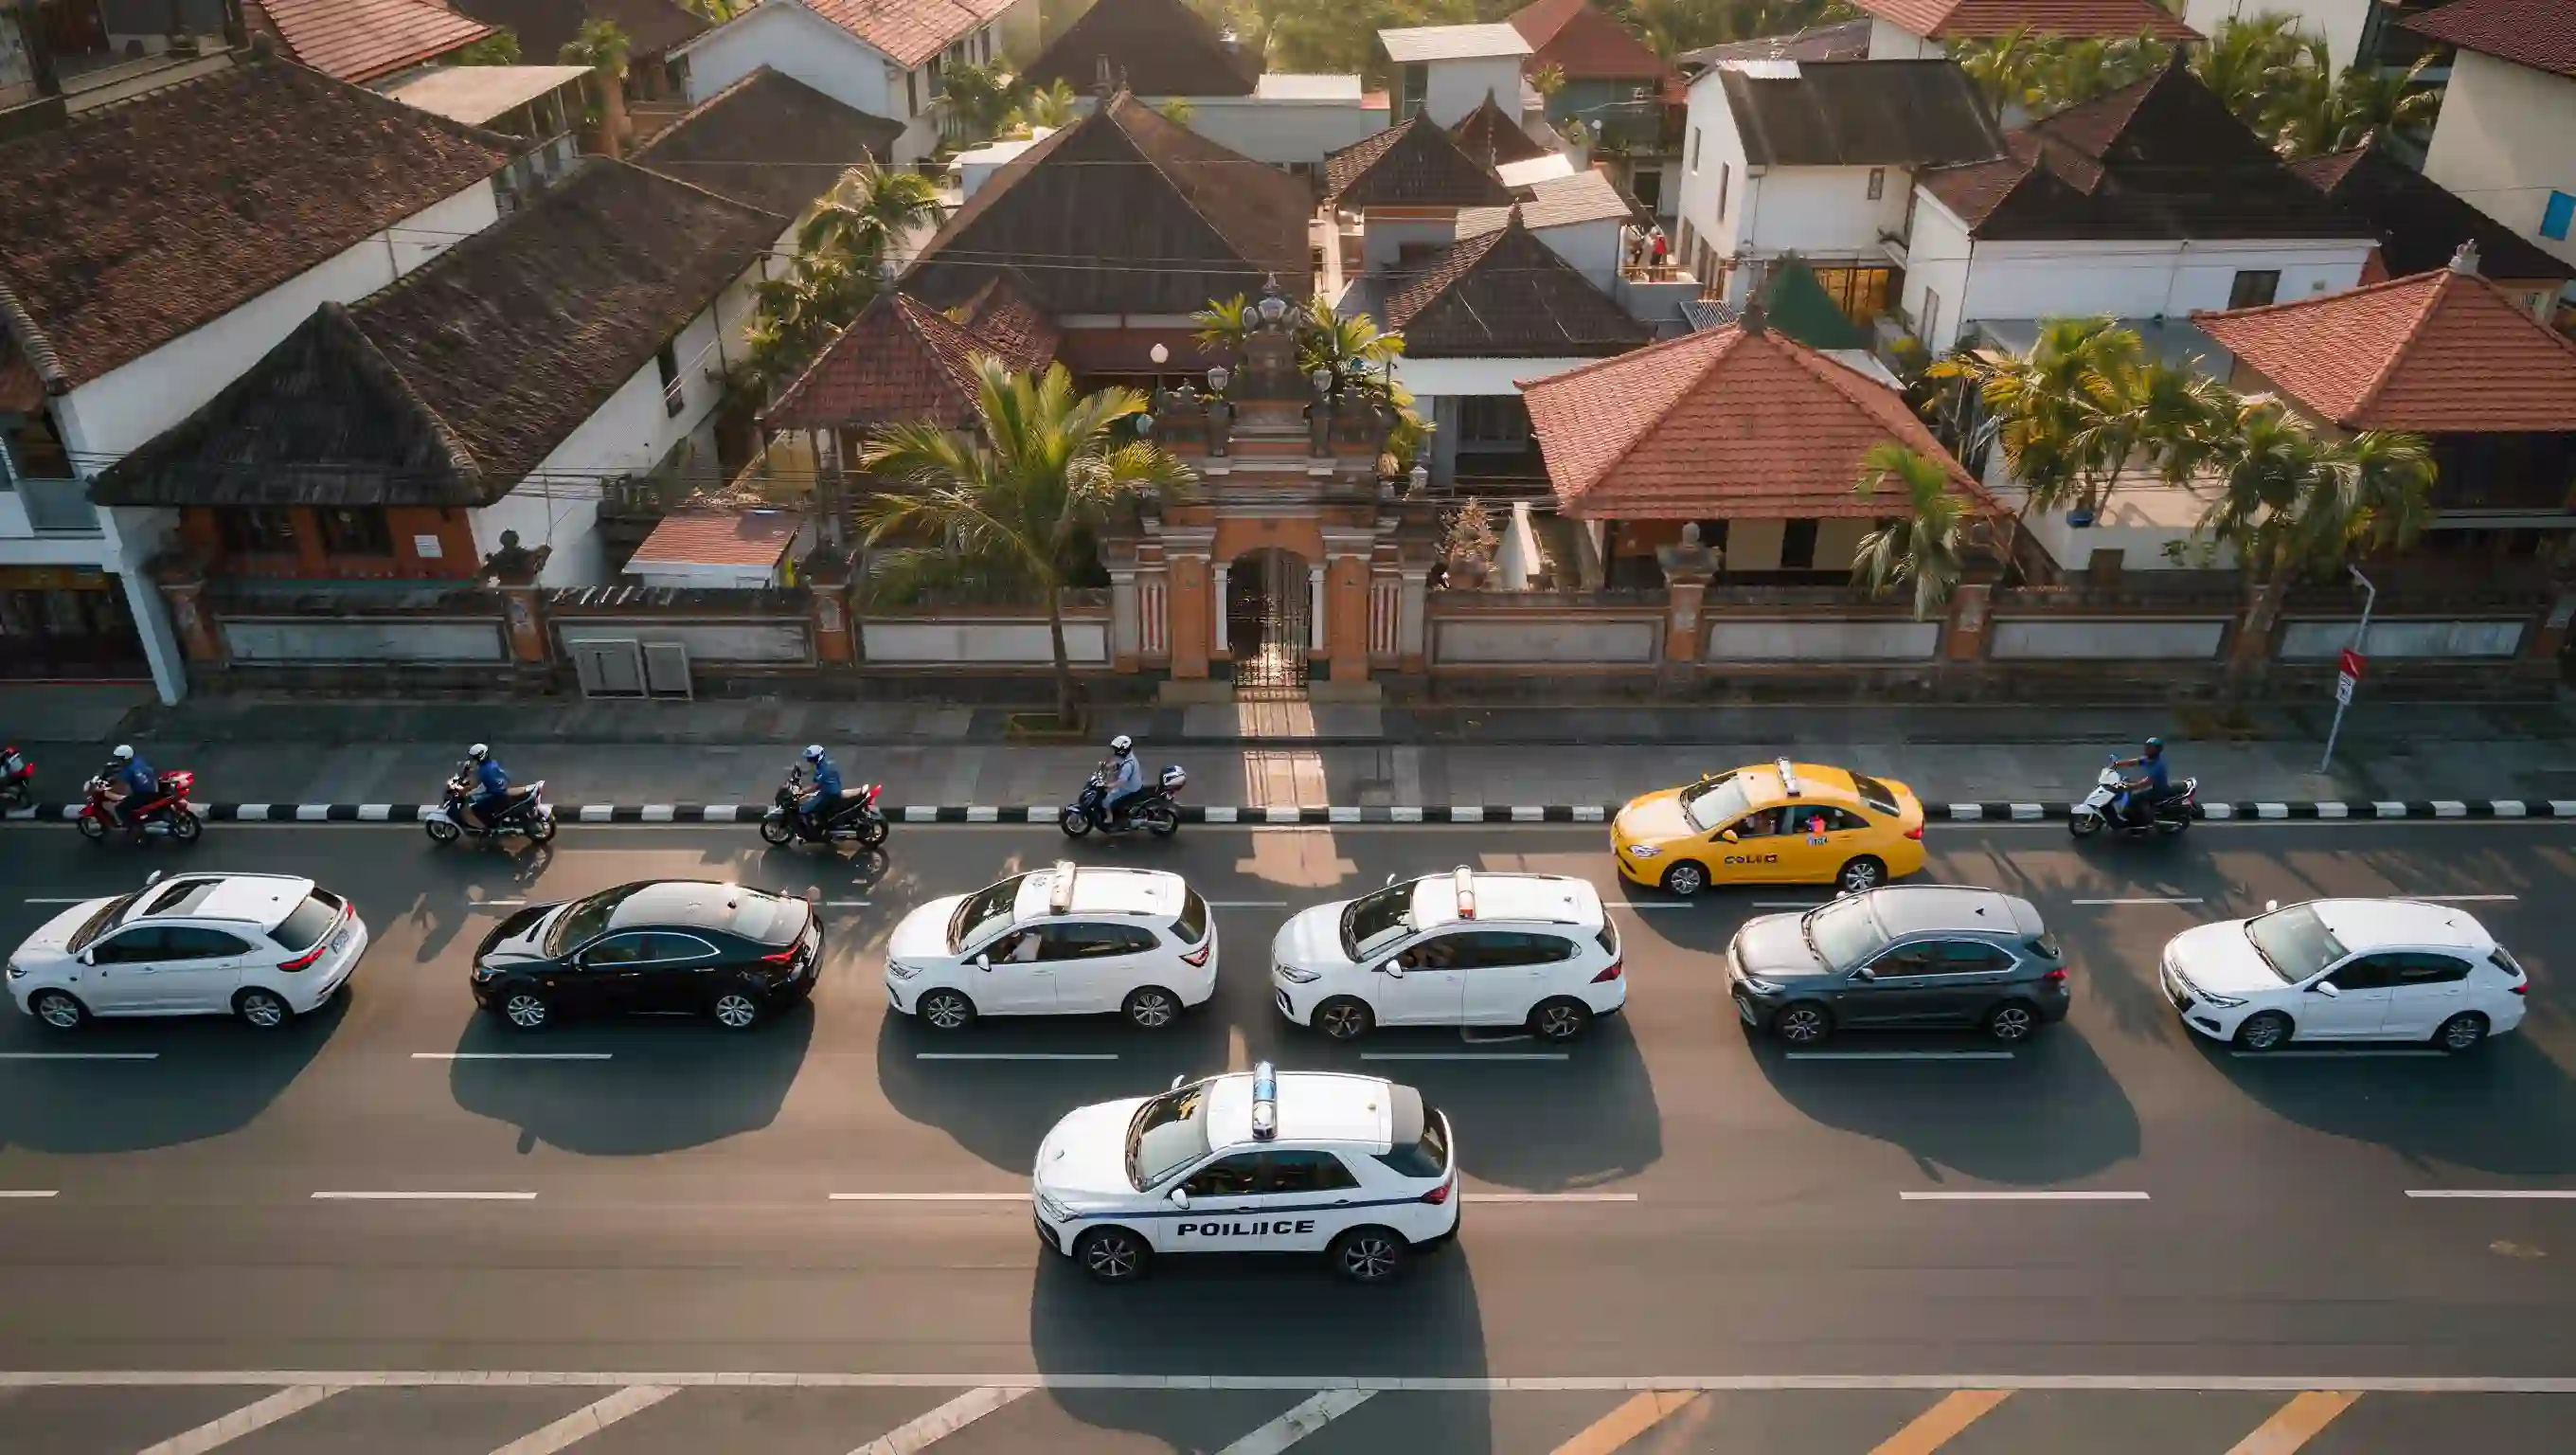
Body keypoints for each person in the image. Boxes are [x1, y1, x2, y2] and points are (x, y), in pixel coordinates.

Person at [2111, 738, 2172, 828]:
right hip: (2152, 786)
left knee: (2134, 799)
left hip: (2158, 791)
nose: (2147, 749)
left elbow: (2145, 783)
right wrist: (2117, 764)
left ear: (2157, 750)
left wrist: (2128, 786)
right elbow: (2133, 762)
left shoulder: (2158, 766)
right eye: (2147, 747)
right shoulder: (2149, 759)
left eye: (2151, 748)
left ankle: (2136, 824)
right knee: (2128, 783)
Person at [100, 744, 154, 830]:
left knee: (120, 807)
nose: (118, 761)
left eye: (119, 759)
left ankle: (131, 825)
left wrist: (107, 789)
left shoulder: (128, 770)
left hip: (142, 795)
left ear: (125, 758)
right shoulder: (139, 761)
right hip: (152, 789)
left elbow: (120, 786)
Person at [463, 743, 510, 830]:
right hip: (501, 788)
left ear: (480, 757)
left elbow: (477, 785)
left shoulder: (485, 771)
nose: (473, 759)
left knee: (476, 807)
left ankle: (492, 826)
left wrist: (468, 792)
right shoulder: (491, 764)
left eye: (474, 757)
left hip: (497, 794)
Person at [797, 744, 842, 835]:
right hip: (829, 790)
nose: (809, 760)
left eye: (811, 759)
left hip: (829, 794)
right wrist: (802, 772)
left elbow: (816, 786)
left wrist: (802, 791)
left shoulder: (822, 770)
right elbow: (813, 771)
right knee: (812, 801)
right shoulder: (824, 764)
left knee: (806, 809)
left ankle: (817, 831)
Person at [1100, 734, 1143, 825]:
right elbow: (1117, 761)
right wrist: (1106, 765)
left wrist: (1107, 785)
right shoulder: (1128, 755)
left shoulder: (1128, 766)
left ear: (1122, 750)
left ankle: (1109, 818)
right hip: (1133, 784)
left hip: (1129, 788)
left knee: (1106, 800)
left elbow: (1121, 782)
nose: (1115, 751)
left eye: (1117, 749)